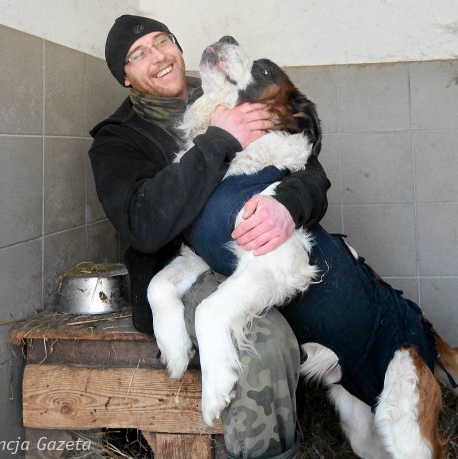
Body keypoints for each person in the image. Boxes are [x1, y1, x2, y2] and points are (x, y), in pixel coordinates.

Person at [88, 15, 330, 459]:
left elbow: (309, 166)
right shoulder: (117, 141)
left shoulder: (225, 89)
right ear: (125, 76)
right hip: (188, 267)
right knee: (267, 345)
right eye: (138, 54)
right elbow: (144, 226)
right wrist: (219, 138)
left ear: (178, 47)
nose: (158, 56)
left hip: (262, 249)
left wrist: (289, 203)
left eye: (162, 41)